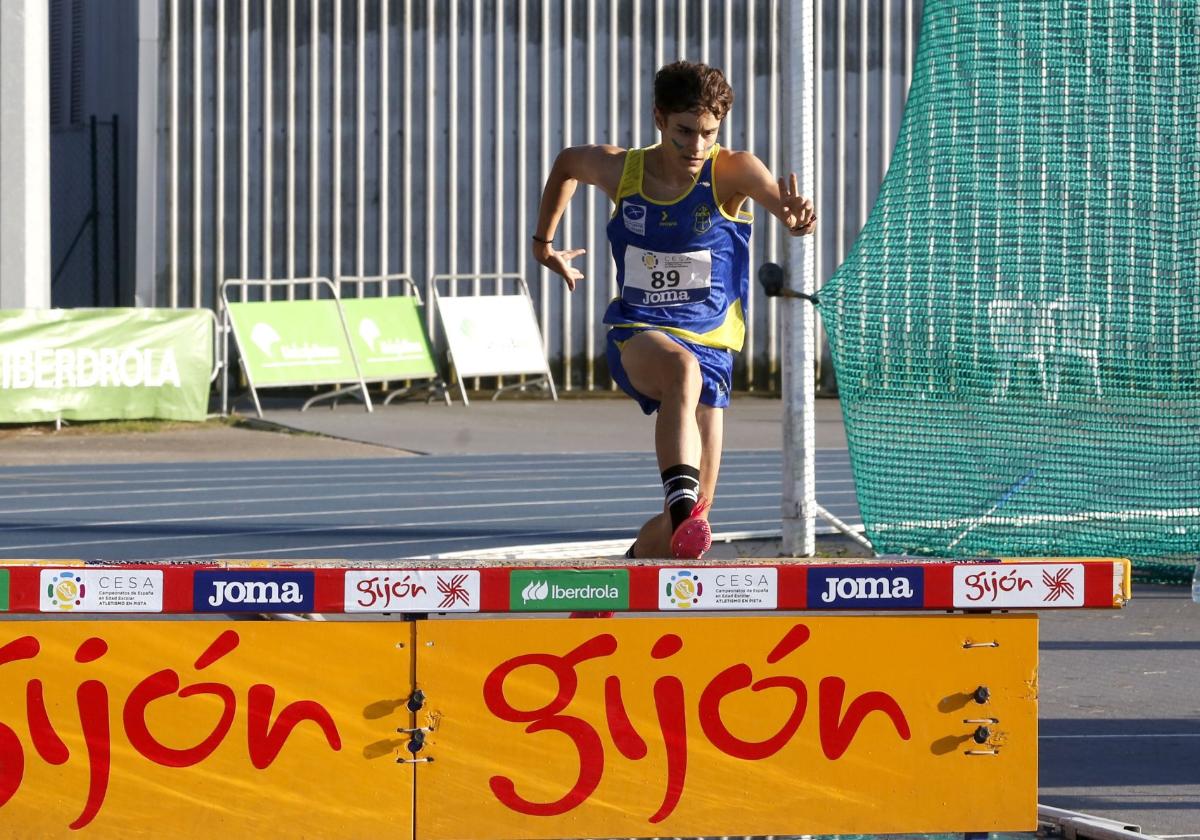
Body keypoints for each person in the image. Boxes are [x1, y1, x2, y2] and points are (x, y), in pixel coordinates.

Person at [532, 60, 816, 560]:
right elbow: (566, 164)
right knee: (681, 373)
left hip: (713, 351)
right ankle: (680, 501)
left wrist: (796, 219)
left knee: (687, 530)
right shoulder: (624, 170)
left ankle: (626, 571)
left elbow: (782, 205)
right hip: (638, 334)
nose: (697, 147)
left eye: (708, 133)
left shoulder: (734, 170)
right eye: (685, 131)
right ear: (659, 118)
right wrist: (543, 244)